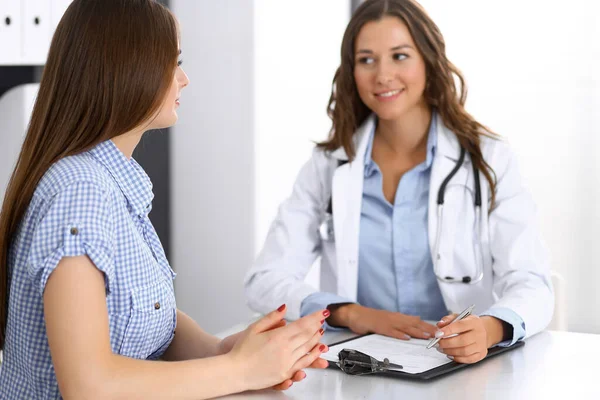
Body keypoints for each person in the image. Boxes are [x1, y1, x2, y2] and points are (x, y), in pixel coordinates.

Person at [0, 1, 329, 398]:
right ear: (125, 68)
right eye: (173, 62)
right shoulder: (80, 191)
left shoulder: (113, 184)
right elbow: (89, 386)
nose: (185, 78)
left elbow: (150, 318)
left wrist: (227, 351)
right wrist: (238, 369)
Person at [245, 0, 553, 365]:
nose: (383, 75)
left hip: (459, 368)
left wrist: (489, 329)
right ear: (351, 71)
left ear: (427, 59)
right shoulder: (330, 164)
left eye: (400, 56)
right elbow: (264, 280)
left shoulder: (488, 157)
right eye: (366, 59)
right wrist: (348, 312)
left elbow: (532, 283)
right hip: (362, 364)